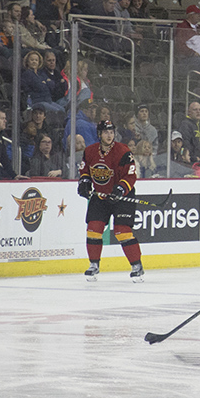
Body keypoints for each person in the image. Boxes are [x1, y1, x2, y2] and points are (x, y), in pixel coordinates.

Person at [77, 119, 145, 282]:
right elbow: (85, 170)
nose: (109, 135)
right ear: (99, 134)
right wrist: (84, 182)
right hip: (100, 196)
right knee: (93, 229)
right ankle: (94, 265)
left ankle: (137, 266)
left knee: (122, 232)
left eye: (111, 132)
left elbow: (130, 175)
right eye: (106, 132)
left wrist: (121, 188)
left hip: (122, 196)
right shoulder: (90, 151)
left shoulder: (123, 151)